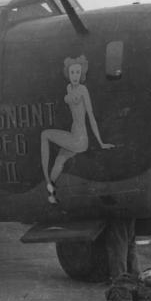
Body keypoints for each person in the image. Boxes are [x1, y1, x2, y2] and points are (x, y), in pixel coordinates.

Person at [40, 55, 115, 204]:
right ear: (68, 73)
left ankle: (47, 181)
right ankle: (52, 194)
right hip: (73, 135)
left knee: (45, 134)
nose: (75, 76)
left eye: (78, 72)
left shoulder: (83, 91)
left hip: (80, 139)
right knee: (59, 160)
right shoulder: (68, 87)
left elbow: (91, 116)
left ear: (82, 74)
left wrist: (101, 142)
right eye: (72, 72)